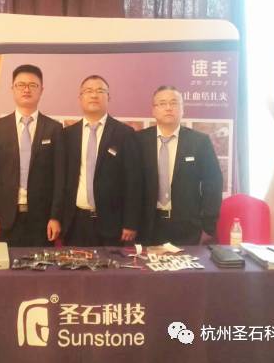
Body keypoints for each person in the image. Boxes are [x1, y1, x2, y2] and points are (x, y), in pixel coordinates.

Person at [0, 64, 64, 247]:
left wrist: (55, 216)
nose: (26, 89)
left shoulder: (54, 128)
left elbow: (60, 178)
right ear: (12, 88)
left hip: (42, 220)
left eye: (33, 85)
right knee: (5, 264)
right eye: (21, 85)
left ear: (41, 90)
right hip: (4, 218)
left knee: (40, 265)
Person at [62, 75, 143, 246]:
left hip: (112, 224)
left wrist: (130, 222)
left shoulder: (124, 133)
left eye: (100, 91)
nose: (94, 95)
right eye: (88, 91)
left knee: (110, 264)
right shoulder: (68, 134)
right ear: (80, 98)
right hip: (75, 222)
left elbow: (133, 181)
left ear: (108, 97)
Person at [138, 85, 223, 245]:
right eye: (162, 103)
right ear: (153, 110)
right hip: (147, 226)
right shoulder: (139, 141)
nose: (168, 108)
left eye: (174, 103)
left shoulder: (199, 142)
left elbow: (213, 184)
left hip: (187, 227)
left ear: (183, 109)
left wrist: (208, 225)